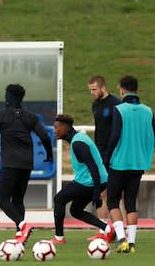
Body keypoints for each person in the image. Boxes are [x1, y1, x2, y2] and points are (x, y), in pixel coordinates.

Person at [0, 84, 52, 245]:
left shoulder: (1, 115)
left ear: (8, 98)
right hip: (26, 164)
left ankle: (23, 226)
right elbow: (44, 136)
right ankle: (20, 235)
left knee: (1, 199)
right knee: (17, 200)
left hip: (11, 164)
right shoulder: (30, 116)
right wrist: (49, 154)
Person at [104, 75, 154, 253]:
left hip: (119, 163)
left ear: (121, 90)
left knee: (112, 201)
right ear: (137, 90)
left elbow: (114, 136)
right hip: (138, 164)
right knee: (131, 203)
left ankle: (121, 238)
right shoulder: (148, 111)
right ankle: (132, 243)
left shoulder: (119, 109)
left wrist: (106, 158)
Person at [51, 114, 114, 244]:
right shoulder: (78, 138)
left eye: (56, 127)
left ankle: (59, 238)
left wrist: (96, 193)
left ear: (65, 128)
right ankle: (108, 229)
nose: (54, 130)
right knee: (75, 211)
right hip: (96, 181)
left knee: (59, 199)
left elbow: (93, 167)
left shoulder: (78, 143)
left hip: (90, 182)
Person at [87, 75, 121, 240]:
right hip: (99, 154)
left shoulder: (116, 105)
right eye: (90, 90)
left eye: (94, 89)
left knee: (110, 194)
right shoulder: (95, 105)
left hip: (114, 154)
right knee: (102, 193)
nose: (92, 93)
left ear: (102, 87)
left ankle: (110, 231)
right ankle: (106, 231)